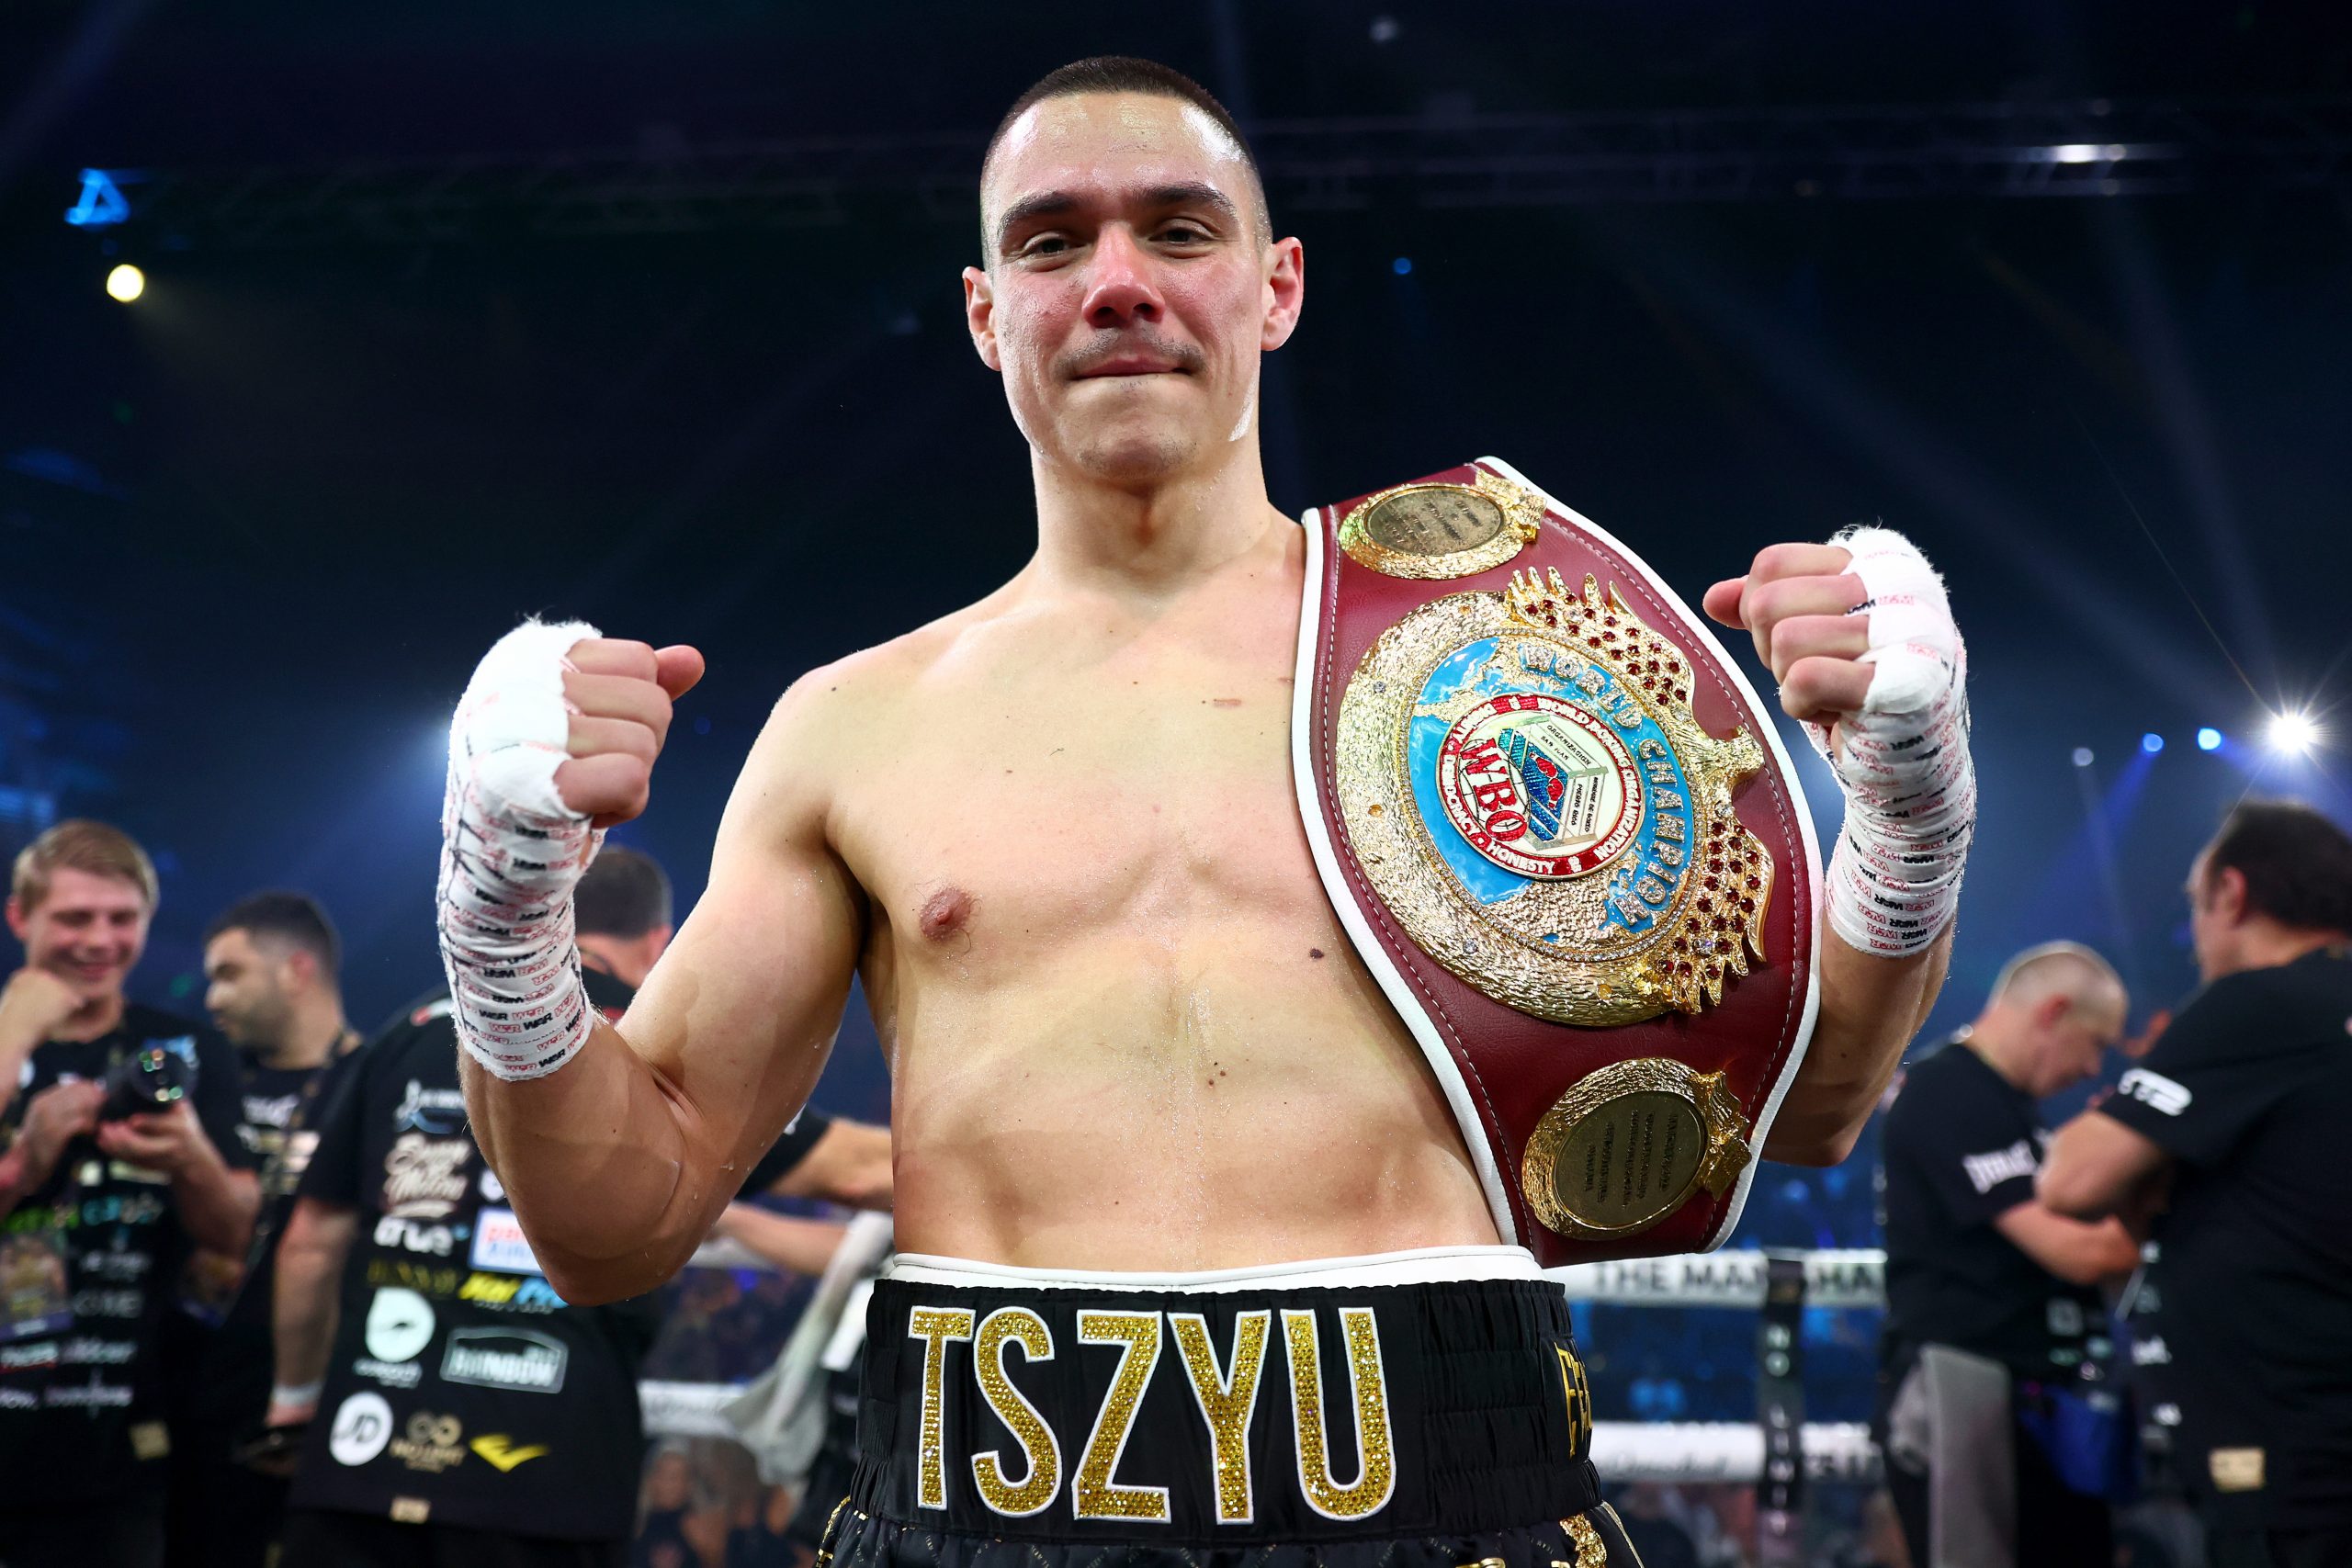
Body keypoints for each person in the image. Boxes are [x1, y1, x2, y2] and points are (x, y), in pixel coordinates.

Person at [441, 57, 1973, 1568]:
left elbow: (1815, 1099)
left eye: (1178, 230)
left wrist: (1911, 809)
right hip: (987, 1504)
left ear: (1277, 286)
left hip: (1452, 1494)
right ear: (986, 313)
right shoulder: (851, 726)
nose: (1117, 283)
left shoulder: (1496, 658)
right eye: (1053, 241)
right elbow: (612, 1223)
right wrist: (503, 919)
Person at [266, 845, 877, 1568]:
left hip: (361, 1453)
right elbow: (857, 1171)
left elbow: (310, 1243)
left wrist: (295, 1400)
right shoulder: (654, 1042)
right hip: (550, 1476)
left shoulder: (411, 1031)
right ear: (658, 941)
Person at [2041, 801, 2352, 1568]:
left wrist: (2141, 1156)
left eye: (2195, 904)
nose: (2195, 934)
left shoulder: (2260, 1002)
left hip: (2293, 1458)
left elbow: (2071, 1177)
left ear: (2232, 894)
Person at [0, 820, 259, 1568]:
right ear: (19, 917)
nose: (99, 940)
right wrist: (23, 1157)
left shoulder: (184, 1051)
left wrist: (191, 1156)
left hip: (120, 1439)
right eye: (74, 917)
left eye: (122, 918)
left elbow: (237, 1236)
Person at [1873, 942, 2141, 1567]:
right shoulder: (1948, 1092)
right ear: (2053, 1012)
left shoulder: (2010, 1105)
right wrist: (2170, 1213)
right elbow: (2079, 1253)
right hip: (1968, 1395)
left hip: (2032, 1398)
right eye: (2095, 1042)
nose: (2092, 1067)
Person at [157, 891, 366, 1567]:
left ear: (296, 969)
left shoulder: (374, 1080)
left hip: (320, 1397)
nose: (211, 997)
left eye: (229, 973)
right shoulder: (205, 1088)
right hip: (192, 1392)